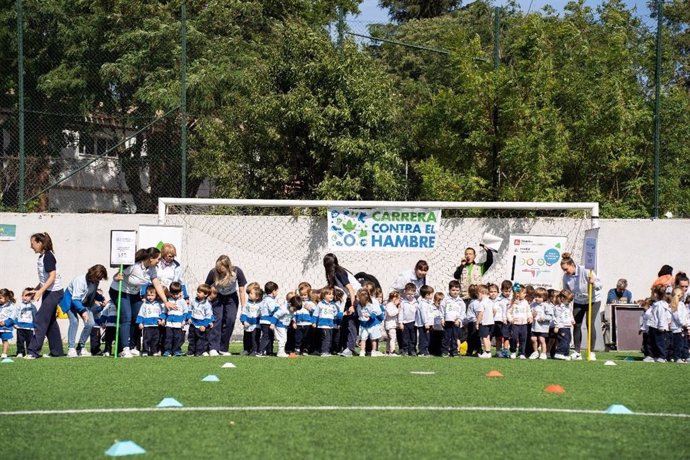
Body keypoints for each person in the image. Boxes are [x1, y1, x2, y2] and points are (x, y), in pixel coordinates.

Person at [110, 247, 173, 358]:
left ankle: (132, 346)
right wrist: (116, 277)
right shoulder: (134, 266)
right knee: (126, 317)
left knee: (137, 316)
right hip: (120, 291)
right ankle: (124, 349)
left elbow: (157, 285)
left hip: (134, 294)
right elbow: (117, 275)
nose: (159, 261)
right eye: (158, 258)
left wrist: (166, 302)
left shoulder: (152, 269)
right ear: (150, 258)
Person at [27, 232, 65, 359]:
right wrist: (36, 289)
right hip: (49, 291)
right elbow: (45, 279)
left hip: (54, 292)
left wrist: (40, 292)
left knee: (40, 319)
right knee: (50, 322)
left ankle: (33, 352)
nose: (31, 246)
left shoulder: (48, 256)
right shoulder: (42, 257)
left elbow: (52, 277)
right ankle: (57, 351)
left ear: (40, 243)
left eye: (32, 244)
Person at [560, 252, 602, 360]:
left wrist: (594, 283)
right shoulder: (566, 277)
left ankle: (591, 351)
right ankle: (577, 351)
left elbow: (600, 285)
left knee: (589, 323)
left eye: (566, 269)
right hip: (579, 300)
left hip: (593, 299)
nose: (565, 272)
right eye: (564, 270)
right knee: (576, 324)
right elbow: (566, 291)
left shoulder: (586, 270)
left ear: (572, 265)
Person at [62, 264, 109, 357]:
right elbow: (75, 299)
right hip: (71, 302)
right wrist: (83, 311)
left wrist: (101, 298)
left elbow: (92, 292)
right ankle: (71, 349)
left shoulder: (95, 281)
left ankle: (80, 348)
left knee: (90, 323)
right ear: (93, 274)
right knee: (74, 321)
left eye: (100, 279)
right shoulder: (80, 280)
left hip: (84, 303)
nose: (99, 281)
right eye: (98, 278)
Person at [205, 255, 247, 356]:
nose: (220, 272)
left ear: (228, 267)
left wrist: (243, 308)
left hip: (231, 298)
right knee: (217, 320)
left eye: (222, 270)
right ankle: (213, 348)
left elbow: (241, 290)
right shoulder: (213, 272)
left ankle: (223, 348)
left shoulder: (237, 272)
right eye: (218, 270)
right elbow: (206, 287)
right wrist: (206, 302)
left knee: (230, 320)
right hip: (217, 297)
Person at [322, 253, 361, 357]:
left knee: (351, 322)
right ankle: (344, 347)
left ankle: (350, 349)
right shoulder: (333, 274)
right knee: (344, 323)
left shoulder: (339, 272)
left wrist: (353, 305)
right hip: (350, 298)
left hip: (357, 296)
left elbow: (351, 289)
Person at [136, 286, 166, 356]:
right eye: (148, 295)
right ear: (146, 295)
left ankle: (154, 351)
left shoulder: (158, 304)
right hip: (147, 326)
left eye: (152, 295)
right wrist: (140, 323)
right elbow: (141, 314)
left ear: (155, 295)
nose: (150, 297)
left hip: (156, 326)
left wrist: (161, 320)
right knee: (146, 339)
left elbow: (162, 313)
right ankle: (145, 351)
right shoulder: (144, 304)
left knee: (155, 339)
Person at [188, 284, 214, 357]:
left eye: (199, 292)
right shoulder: (193, 302)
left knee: (200, 340)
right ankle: (190, 351)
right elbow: (190, 310)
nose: (197, 293)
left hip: (201, 325)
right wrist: (189, 318)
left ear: (206, 294)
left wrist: (204, 325)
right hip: (193, 324)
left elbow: (208, 317)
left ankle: (199, 352)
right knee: (191, 339)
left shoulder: (207, 305)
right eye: (197, 291)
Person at [356, 289, 383, 357]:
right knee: (363, 338)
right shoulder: (359, 305)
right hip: (363, 324)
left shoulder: (370, 305)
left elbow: (374, 313)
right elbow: (359, 314)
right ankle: (362, 351)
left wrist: (370, 316)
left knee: (373, 339)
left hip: (372, 324)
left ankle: (373, 351)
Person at [312, 287, 338, 357]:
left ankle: (326, 351)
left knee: (329, 338)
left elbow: (335, 314)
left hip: (330, 325)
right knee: (326, 338)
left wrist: (340, 316)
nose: (331, 295)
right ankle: (324, 352)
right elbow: (315, 314)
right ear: (324, 295)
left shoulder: (333, 305)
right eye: (329, 294)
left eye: (332, 294)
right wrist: (314, 322)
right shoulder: (321, 304)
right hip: (323, 325)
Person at [163, 282, 187, 357]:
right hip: (169, 323)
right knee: (168, 337)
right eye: (173, 293)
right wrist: (163, 319)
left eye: (177, 293)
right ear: (170, 293)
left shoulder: (182, 301)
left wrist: (183, 321)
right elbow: (164, 312)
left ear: (180, 293)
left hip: (178, 324)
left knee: (178, 338)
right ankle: (167, 350)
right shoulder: (168, 300)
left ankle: (177, 350)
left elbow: (185, 312)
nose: (175, 295)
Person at [507, 284, 531, 359]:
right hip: (515, 324)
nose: (525, 294)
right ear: (517, 293)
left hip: (524, 324)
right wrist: (511, 319)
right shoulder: (512, 302)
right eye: (523, 293)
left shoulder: (525, 302)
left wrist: (530, 317)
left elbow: (528, 311)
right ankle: (513, 351)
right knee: (513, 338)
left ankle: (521, 353)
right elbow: (508, 312)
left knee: (523, 339)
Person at [441, 280, 464, 358]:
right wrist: (442, 319)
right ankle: (445, 351)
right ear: (449, 290)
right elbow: (441, 310)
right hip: (448, 321)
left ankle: (454, 352)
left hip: (456, 322)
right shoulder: (446, 300)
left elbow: (462, 312)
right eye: (453, 290)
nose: (455, 292)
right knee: (446, 337)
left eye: (457, 290)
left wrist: (459, 320)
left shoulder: (461, 301)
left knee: (455, 337)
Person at [649, 285, 672, 363]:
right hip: (653, 325)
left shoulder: (660, 305)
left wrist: (661, 326)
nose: (651, 295)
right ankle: (655, 355)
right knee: (654, 342)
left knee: (660, 342)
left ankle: (662, 356)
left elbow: (661, 316)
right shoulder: (656, 304)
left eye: (652, 293)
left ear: (656, 294)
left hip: (658, 327)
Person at [240, 283, 263, 356]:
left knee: (254, 338)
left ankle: (255, 350)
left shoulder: (261, 304)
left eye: (251, 293)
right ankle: (246, 349)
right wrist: (244, 321)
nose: (249, 294)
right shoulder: (247, 304)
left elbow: (262, 314)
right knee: (246, 337)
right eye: (249, 293)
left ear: (257, 296)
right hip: (247, 324)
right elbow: (243, 312)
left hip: (256, 325)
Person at [258, 282, 279, 357]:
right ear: (273, 291)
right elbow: (272, 309)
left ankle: (269, 351)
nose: (277, 293)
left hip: (264, 321)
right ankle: (260, 351)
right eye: (277, 291)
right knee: (266, 336)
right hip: (267, 321)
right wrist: (279, 308)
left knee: (270, 336)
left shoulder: (264, 299)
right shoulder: (269, 300)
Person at [529, 287, 551, 360]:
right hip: (534, 326)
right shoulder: (532, 304)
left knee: (542, 339)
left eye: (539, 297)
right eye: (536, 296)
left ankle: (543, 353)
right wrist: (531, 315)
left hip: (542, 327)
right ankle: (535, 352)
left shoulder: (546, 306)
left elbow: (550, 316)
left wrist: (543, 318)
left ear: (544, 297)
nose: (537, 298)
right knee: (533, 339)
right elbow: (529, 312)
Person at [15, 288, 37, 358]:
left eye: (28, 296)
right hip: (20, 326)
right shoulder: (19, 306)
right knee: (20, 341)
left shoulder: (33, 307)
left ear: (31, 297)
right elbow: (15, 315)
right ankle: (20, 352)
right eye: (24, 295)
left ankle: (29, 352)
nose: (25, 297)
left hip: (29, 327)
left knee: (29, 341)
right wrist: (14, 323)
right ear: (22, 296)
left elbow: (35, 317)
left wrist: (35, 326)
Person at [397, 283, 418, 356]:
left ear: (415, 293)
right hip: (405, 323)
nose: (410, 296)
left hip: (413, 322)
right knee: (405, 338)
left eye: (412, 294)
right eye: (408, 294)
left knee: (413, 338)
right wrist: (400, 323)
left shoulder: (416, 302)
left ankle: (412, 350)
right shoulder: (403, 302)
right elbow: (401, 313)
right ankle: (405, 350)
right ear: (405, 292)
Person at [553, 289, 575, 360]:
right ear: (562, 298)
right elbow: (556, 317)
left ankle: (565, 354)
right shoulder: (558, 307)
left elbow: (570, 313)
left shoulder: (568, 306)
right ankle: (559, 353)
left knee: (568, 340)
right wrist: (556, 326)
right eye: (568, 300)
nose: (569, 302)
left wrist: (572, 319)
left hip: (567, 326)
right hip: (561, 326)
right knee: (564, 340)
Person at [294, 283, 315, 355]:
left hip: (307, 324)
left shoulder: (311, 303)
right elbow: (294, 312)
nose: (303, 297)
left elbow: (316, 312)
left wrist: (310, 308)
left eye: (305, 295)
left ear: (309, 294)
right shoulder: (298, 303)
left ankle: (305, 349)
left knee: (307, 337)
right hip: (299, 323)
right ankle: (297, 348)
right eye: (301, 295)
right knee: (298, 337)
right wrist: (294, 321)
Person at [669, 287, 688, 363]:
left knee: (682, 343)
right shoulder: (677, 304)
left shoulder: (680, 304)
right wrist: (683, 324)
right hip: (678, 328)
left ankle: (683, 356)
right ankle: (677, 357)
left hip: (680, 327)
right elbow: (678, 316)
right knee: (678, 344)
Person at [416, 285, 435, 357]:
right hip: (423, 324)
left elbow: (431, 313)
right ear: (427, 295)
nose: (432, 295)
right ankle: (422, 351)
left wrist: (431, 322)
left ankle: (425, 350)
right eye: (431, 294)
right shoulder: (423, 304)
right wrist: (426, 323)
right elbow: (424, 314)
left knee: (427, 337)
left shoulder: (429, 303)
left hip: (428, 324)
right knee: (423, 337)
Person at [475, 285, 494, 359]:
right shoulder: (490, 301)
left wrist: (477, 322)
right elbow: (494, 310)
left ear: (481, 293)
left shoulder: (482, 303)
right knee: (488, 337)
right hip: (490, 322)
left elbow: (480, 314)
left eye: (477, 294)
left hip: (484, 322)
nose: (477, 296)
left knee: (484, 337)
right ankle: (488, 352)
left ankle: (487, 352)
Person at [0, 289, 17, 359]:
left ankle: (4, 353)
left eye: (0, 298)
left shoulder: (12, 307)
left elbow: (12, 317)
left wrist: (5, 322)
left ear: (6, 297)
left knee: (5, 340)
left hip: (5, 327)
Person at [383, 291, 401, 356]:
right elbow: (390, 314)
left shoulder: (391, 305)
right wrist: (398, 310)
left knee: (389, 338)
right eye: (398, 300)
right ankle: (392, 351)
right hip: (390, 325)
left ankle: (388, 351)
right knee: (393, 338)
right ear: (394, 299)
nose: (399, 302)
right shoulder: (389, 305)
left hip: (390, 324)